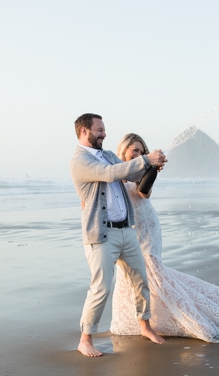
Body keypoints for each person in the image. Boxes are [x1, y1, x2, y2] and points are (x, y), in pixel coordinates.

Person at [110, 133, 219, 343]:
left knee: (153, 273)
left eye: (142, 151)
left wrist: (152, 168)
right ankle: (144, 319)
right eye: (135, 150)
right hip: (127, 229)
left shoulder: (143, 170)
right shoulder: (114, 170)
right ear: (123, 148)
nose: (138, 154)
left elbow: (144, 193)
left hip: (146, 227)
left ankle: (189, 318)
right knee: (131, 275)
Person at [69, 113, 168, 357]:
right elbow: (111, 174)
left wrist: (152, 167)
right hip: (101, 235)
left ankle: (144, 326)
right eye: (99, 130)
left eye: (104, 129)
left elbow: (132, 176)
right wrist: (145, 158)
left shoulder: (108, 156)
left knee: (140, 280)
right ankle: (85, 339)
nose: (104, 134)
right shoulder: (80, 161)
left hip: (126, 229)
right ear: (84, 131)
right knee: (101, 287)